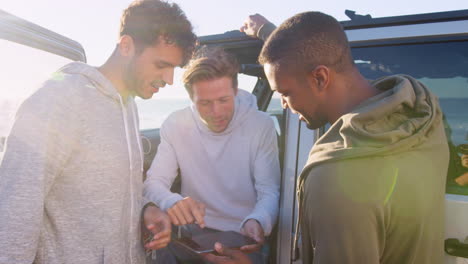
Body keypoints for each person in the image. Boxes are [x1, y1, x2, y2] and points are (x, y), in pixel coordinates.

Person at [207, 11, 450, 264]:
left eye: (286, 92)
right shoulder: (424, 117)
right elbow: (310, 55)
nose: (285, 105)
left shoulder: (336, 178)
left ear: (321, 78)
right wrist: (268, 32)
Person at [0, 1, 196, 263]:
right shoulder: (58, 99)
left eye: (174, 68)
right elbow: (14, 213)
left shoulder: (128, 105)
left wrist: (145, 209)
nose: (170, 79)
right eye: (161, 64)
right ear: (126, 46)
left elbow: (112, 190)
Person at [144, 46, 280, 263]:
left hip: (244, 235)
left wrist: (258, 220)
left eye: (224, 100)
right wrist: (171, 201)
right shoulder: (175, 124)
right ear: (191, 98)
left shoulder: (260, 125)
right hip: (194, 236)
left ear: (236, 91)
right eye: (205, 103)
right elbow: (154, 183)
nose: (216, 112)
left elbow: (269, 191)